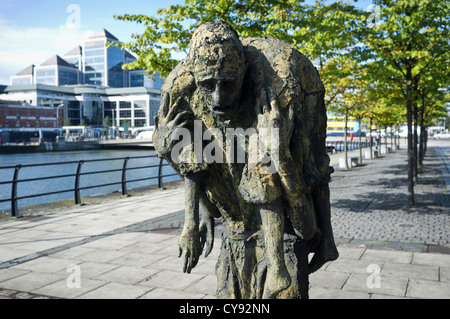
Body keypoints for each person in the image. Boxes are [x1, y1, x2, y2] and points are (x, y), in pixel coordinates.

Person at [153, 21, 338, 299]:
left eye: (228, 84)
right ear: (194, 77)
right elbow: (197, 167)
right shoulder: (179, 90)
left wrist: (279, 155)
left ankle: (282, 265)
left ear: (243, 73)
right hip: (236, 234)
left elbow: (312, 177)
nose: (218, 98)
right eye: (208, 85)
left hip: (283, 234)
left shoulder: (278, 80)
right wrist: (194, 216)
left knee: (279, 159)